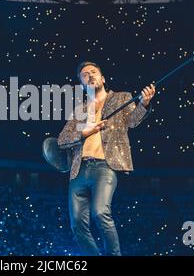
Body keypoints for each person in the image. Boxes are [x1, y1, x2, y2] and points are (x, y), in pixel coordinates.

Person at [58, 61, 155, 255]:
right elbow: (62, 140)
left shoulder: (122, 98)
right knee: (77, 225)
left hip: (105, 167)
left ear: (103, 78)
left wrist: (144, 104)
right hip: (79, 171)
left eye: (93, 72)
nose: (90, 76)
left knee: (100, 212)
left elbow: (133, 121)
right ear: (82, 84)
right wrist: (84, 132)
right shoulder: (80, 110)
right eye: (85, 75)